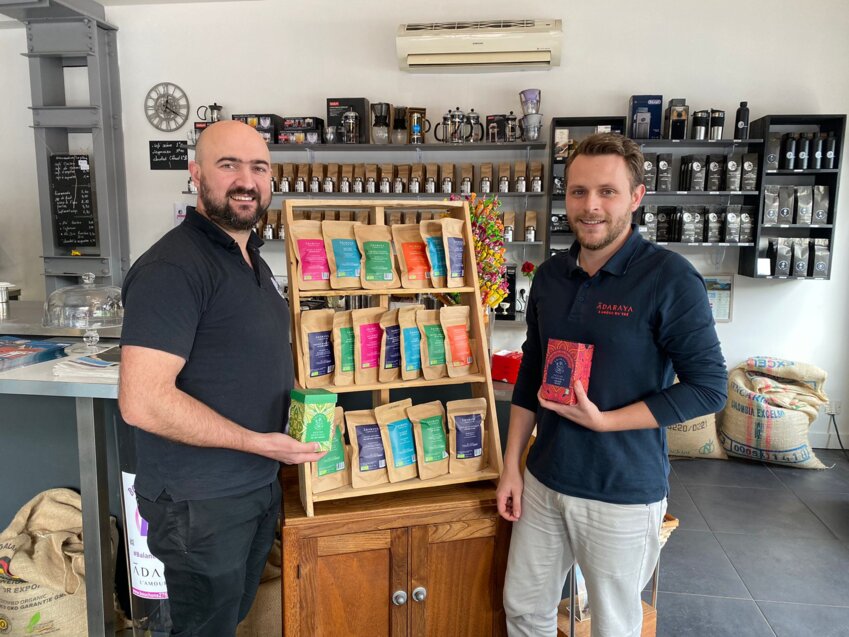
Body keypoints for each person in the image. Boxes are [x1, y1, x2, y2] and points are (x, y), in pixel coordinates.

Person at [496, 133, 727, 637]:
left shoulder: (670, 279)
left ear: (637, 197)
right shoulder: (552, 276)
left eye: (607, 191)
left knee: (612, 627)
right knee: (524, 611)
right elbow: (532, 370)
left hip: (621, 490)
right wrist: (512, 464)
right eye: (578, 192)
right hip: (543, 480)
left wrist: (607, 422)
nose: (590, 206)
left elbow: (709, 387)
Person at [119, 120, 325, 636]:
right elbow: (142, 401)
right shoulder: (173, 266)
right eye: (228, 164)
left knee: (226, 621)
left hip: (253, 487)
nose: (246, 180)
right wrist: (256, 442)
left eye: (258, 167)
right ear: (196, 174)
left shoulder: (250, 257)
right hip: (200, 504)